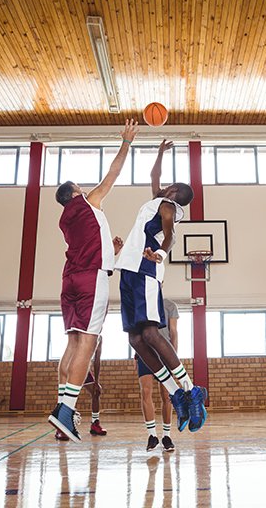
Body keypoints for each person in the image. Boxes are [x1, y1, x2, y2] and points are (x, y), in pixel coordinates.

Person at [48, 119, 139, 442]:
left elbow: (89, 248)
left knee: (73, 342)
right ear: (75, 193)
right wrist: (126, 142)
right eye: (80, 188)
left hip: (70, 280)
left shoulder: (66, 219)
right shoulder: (87, 203)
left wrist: (110, 252)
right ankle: (66, 411)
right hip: (90, 280)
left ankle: (62, 408)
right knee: (89, 341)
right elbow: (112, 175)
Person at [115, 139, 207, 433]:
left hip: (145, 268)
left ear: (175, 193)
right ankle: (176, 393)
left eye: (170, 186)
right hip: (128, 269)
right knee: (136, 340)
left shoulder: (168, 206)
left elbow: (169, 236)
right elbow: (153, 177)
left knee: (152, 333)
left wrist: (161, 254)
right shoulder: (157, 199)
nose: (164, 185)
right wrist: (159, 152)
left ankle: (191, 390)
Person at [136, 295, 179, 452]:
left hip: (164, 353)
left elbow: (173, 332)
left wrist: (173, 356)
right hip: (145, 353)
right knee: (145, 392)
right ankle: (152, 436)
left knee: (167, 396)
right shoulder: (141, 303)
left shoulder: (170, 305)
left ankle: (166, 436)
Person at [55, 337, 106, 440]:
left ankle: (95, 423)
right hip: (70, 365)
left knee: (96, 392)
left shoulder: (99, 338)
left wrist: (96, 381)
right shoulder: (82, 332)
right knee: (65, 396)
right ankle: (60, 427)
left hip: (84, 368)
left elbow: (97, 360)